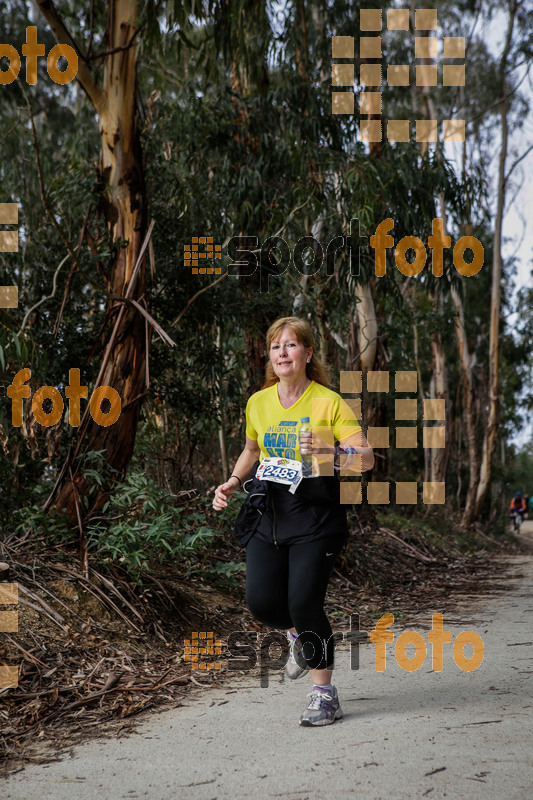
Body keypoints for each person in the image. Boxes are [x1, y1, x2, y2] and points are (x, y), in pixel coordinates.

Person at [213, 316, 373, 726]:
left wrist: (328, 449)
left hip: (316, 515)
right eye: (276, 347)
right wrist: (233, 481)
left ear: (308, 353)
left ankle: (324, 694)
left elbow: (366, 459)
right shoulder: (259, 402)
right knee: (262, 603)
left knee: (304, 602)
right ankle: (297, 636)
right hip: (269, 512)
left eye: (291, 345)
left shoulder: (329, 402)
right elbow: (252, 450)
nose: (282, 353)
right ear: (271, 357)